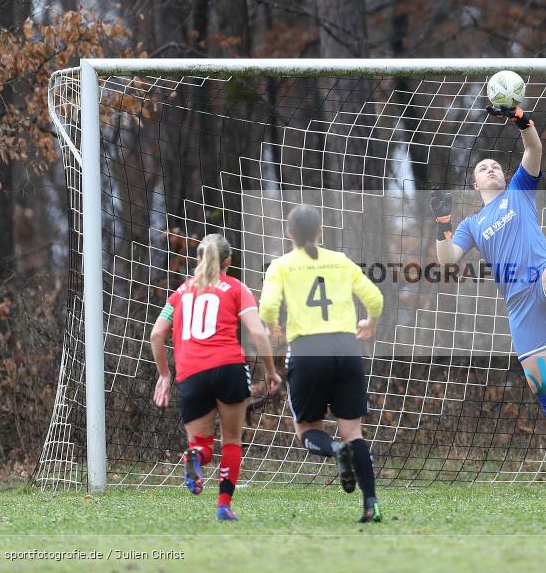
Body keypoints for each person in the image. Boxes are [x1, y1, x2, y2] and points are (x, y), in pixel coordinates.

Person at [432, 103, 546, 489]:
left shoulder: (519, 189)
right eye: (483, 168)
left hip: (541, 278)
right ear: (474, 185)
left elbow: (533, 150)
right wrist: (440, 224)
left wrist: (521, 119)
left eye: (495, 166)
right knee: (540, 383)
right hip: (518, 304)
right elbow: (448, 259)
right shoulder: (472, 224)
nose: (491, 170)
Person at [260, 204, 385, 523]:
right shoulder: (340, 262)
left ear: (289, 234)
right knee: (353, 431)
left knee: (306, 429)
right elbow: (375, 298)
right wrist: (369, 322)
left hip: (307, 350)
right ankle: (371, 503)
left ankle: (333, 450)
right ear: (320, 232)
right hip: (345, 347)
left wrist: (272, 325)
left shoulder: (281, 266)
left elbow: (269, 306)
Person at [151, 233, 280, 521]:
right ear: (228, 262)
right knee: (232, 439)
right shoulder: (236, 287)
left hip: (191, 374)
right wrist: (271, 372)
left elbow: (157, 333)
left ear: (198, 259)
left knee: (201, 444)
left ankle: (195, 458)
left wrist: (164, 374)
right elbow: (257, 332)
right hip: (229, 369)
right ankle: (223, 505)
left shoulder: (181, 292)